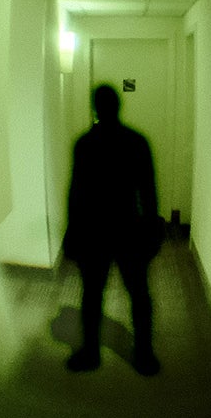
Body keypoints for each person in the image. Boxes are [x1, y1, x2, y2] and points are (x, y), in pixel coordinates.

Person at [62, 84, 162, 376]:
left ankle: (91, 353)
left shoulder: (84, 144)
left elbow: (76, 193)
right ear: (119, 106)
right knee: (139, 294)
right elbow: (148, 191)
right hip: (128, 226)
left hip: (94, 230)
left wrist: (72, 231)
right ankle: (143, 354)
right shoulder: (137, 141)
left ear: (95, 107)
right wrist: (152, 228)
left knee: (92, 295)